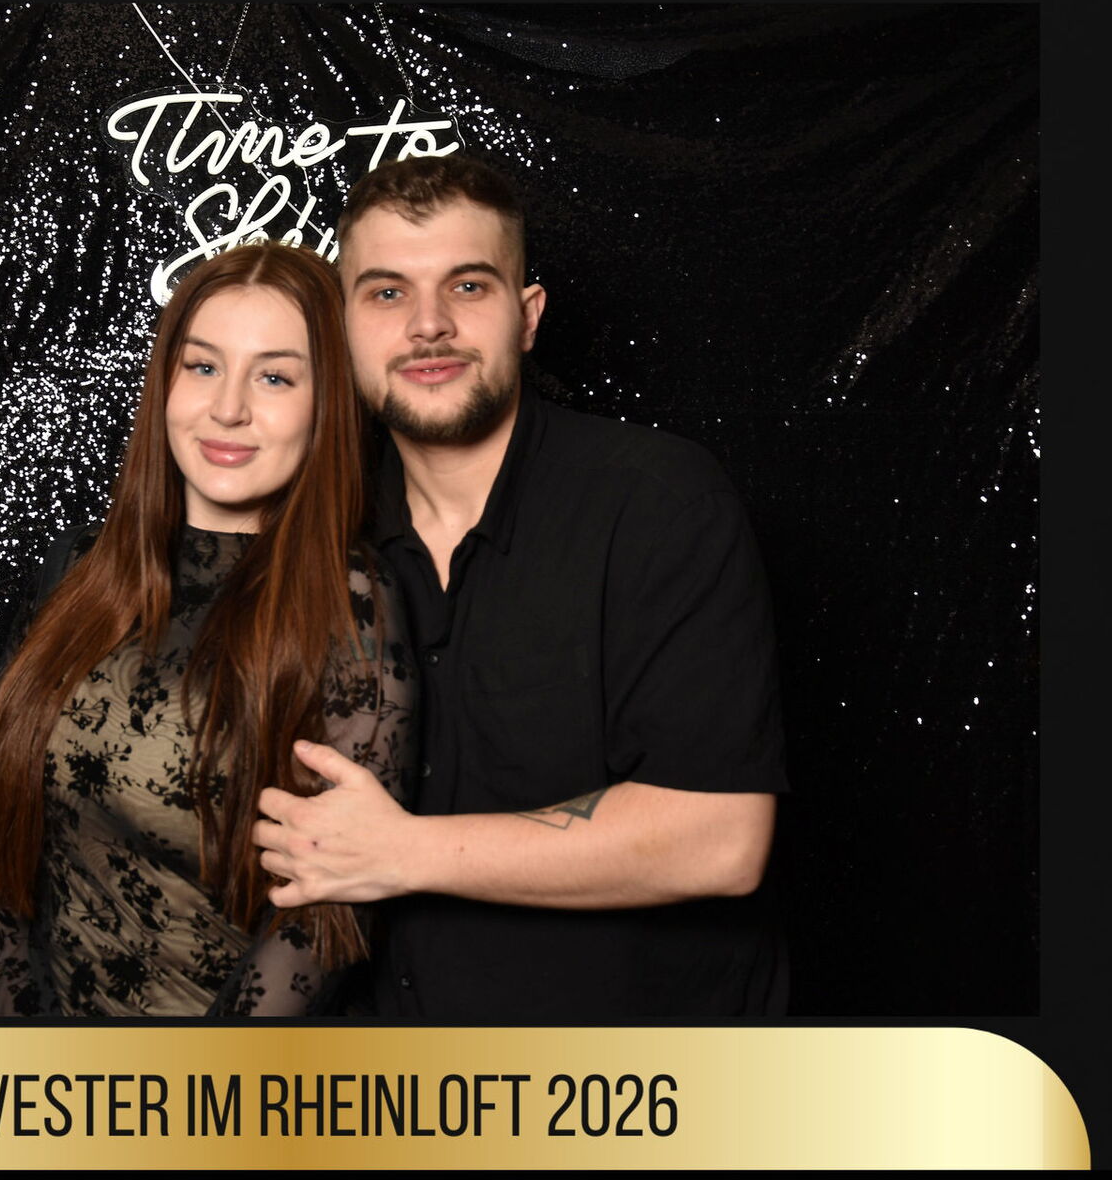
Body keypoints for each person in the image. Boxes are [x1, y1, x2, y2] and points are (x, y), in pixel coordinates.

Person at [253, 155, 789, 1018]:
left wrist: (401, 852)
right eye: (386, 293)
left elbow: (718, 838)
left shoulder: (658, 503)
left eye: (468, 286)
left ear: (528, 316)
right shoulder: (313, 535)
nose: (428, 325)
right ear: (343, 329)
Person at [0, 242, 417, 1017]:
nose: (228, 407)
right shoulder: (79, 567)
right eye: (202, 366)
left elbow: (323, 919)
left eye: (274, 377)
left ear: (326, 404)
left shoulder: (353, 602)